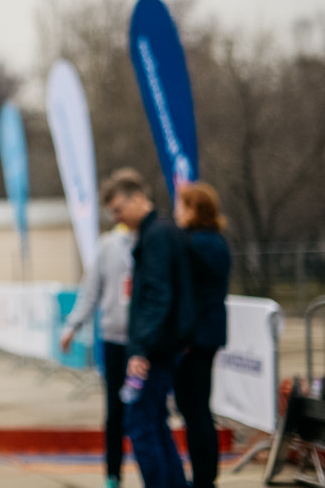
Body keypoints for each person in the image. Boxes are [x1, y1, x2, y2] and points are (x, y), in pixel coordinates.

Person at [101, 168, 195, 488]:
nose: (117, 219)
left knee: (141, 424)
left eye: (118, 210)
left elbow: (157, 297)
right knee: (154, 422)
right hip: (164, 345)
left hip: (156, 349)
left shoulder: (156, 236)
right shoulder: (162, 233)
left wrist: (140, 349)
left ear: (138, 199)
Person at [59, 219, 136, 488]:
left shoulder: (153, 240)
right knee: (115, 410)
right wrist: (72, 326)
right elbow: (90, 291)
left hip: (145, 344)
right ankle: (113, 474)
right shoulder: (107, 245)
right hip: (114, 342)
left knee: (146, 411)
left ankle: (155, 471)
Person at [173, 182, 231, 488]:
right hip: (207, 335)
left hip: (195, 339)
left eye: (181, 206)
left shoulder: (196, 245)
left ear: (195, 210)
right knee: (200, 411)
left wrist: (184, 337)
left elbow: (190, 295)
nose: (176, 213)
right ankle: (207, 477)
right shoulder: (216, 242)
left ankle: (203, 479)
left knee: (194, 412)